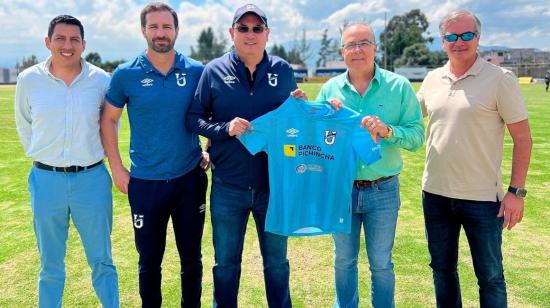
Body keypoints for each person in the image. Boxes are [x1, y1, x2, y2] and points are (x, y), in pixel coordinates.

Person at [417, 10, 532, 308]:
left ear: (478, 38)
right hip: (435, 195)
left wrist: (516, 192)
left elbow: (523, 139)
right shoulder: (432, 79)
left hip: (482, 199)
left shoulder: (500, 79)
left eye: (467, 35)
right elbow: (405, 117)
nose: (459, 42)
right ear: (442, 41)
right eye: (451, 36)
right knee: (442, 271)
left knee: (490, 277)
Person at [186, 4, 298, 307]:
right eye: (244, 28)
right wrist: (224, 128)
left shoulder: (283, 70)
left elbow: (296, 122)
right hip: (228, 186)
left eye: (257, 28)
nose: (250, 34)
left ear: (267, 34)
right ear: (232, 32)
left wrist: (307, 110)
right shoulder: (214, 71)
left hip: (272, 186)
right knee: (225, 265)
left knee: (276, 263)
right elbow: (194, 118)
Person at [100, 2, 207, 307]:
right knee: (149, 261)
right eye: (154, 27)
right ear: (143, 30)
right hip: (145, 183)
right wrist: (118, 169)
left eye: (167, 27)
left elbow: (214, 113)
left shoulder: (197, 70)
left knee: (191, 257)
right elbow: (109, 118)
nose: (161, 33)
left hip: (189, 179)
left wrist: (209, 149)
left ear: (176, 30)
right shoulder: (125, 74)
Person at [316, 23, 424, 308]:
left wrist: (388, 131)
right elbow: (317, 143)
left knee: (381, 264)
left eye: (364, 43)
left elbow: (417, 137)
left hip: (383, 191)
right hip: (342, 190)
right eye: (350, 45)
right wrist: (328, 120)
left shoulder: (398, 87)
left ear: (376, 48)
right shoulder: (330, 90)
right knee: (343, 261)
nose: (357, 50)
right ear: (342, 53)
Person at [14, 15, 119, 308]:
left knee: (102, 260)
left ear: (83, 44)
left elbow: (109, 125)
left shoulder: (100, 80)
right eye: (60, 38)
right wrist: (44, 156)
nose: (67, 45)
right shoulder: (28, 80)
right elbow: (25, 125)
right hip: (46, 181)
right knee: (50, 264)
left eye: (74, 39)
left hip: (92, 180)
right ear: (48, 42)